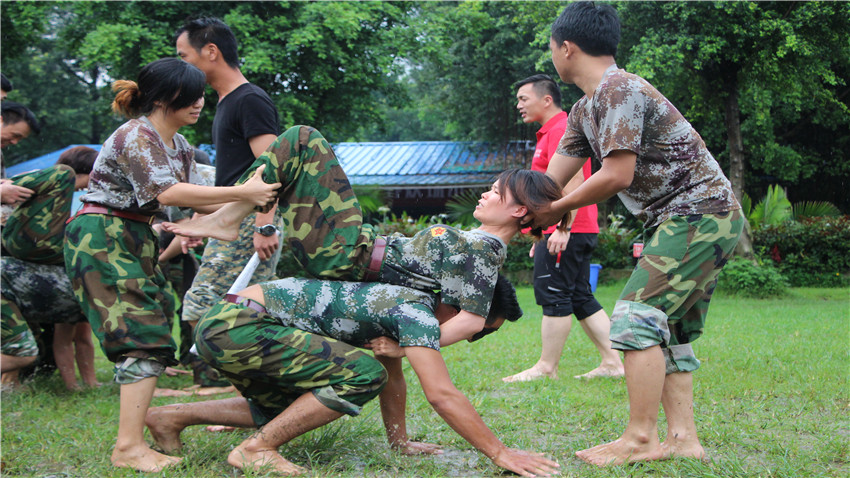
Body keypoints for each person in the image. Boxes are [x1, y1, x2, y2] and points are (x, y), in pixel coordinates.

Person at [533, 2, 743, 466]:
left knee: (636, 317)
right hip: (680, 219)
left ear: (566, 48)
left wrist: (559, 208)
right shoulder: (587, 108)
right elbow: (551, 181)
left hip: (699, 213)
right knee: (669, 329)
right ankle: (683, 439)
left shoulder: (619, 90)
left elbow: (617, 175)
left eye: (551, 48)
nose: (552, 56)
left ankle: (640, 438)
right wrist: (521, 214)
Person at [62, 57, 280, 472]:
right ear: (164, 98)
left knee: (158, 329)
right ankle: (127, 447)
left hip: (132, 234)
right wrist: (245, 193)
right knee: (141, 334)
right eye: (190, 96)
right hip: (102, 235)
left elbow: (202, 187)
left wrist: (262, 181)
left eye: (201, 95)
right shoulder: (138, 136)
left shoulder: (176, 144)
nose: (199, 103)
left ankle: (134, 441)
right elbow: (167, 193)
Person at [163, 125, 564, 345]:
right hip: (354, 250)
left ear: (518, 210)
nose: (485, 192)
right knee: (296, 153)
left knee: (302, 140)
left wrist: (409, 346)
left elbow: (470, 322)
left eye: (496, 191)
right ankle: (229, 217)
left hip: (350, 255)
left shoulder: (486, 251)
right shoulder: (477, 241)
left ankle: (227, 218)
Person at [145, 274, 559, 477]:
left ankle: (172, 416)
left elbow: (392, 372)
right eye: (477, 331)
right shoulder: (415, 310)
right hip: (241, 327)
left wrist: (399, 442)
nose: (469, 338)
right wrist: (501, 454)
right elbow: (442, 395)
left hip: (228, 324)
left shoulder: (404, 303)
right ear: (461, 309)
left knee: (293, 408)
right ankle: (256, 450)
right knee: (361, 373)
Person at [174, 18, 283, 385]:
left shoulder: (249, 99)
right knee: (211, 308)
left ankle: (234, 390)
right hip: (233, 221)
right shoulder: (225, 102)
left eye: (183, 56)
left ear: (210, 52)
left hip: (252, 223)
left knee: (208, 307)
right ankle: (221, 387)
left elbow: (270, 167)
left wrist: (265, 224)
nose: (180, 65)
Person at [503, 74, 623, 383]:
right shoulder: (551, 131)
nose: (518, 105)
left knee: (553, 294)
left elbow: (575, 183)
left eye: (523, 99)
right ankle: (613, 362)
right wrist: (544, 233)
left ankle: (546, 367)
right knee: (580, 295)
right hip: (570, 227)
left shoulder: (559, 129)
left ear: (546, 99)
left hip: (569, 227)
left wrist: (562, 229)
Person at [1, 146, 100, 391]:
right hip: (21, 259)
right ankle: (11, 382)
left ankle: (14, 383)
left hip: (37, 265)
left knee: (24, 346)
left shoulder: (61, 205)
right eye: (92, 178)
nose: (88, 187)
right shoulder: (59, 177)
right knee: (21, 350)